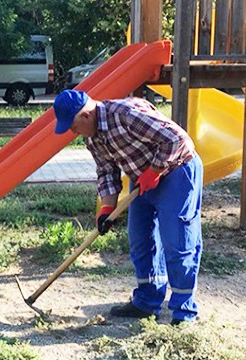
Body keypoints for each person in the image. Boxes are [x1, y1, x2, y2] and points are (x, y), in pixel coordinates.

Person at [53, 89, 203, 325]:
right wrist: (106, 209)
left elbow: (178, 139)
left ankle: (184, 311)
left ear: (85, 116)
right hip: (141, 177)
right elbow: (106, 171)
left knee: (178, 241)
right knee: (140, 239)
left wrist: (155, 170)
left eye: (72, 127)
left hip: (177, 171)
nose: (73, 133)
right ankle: (146, 301)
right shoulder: (91, 136)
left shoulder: (126, 114)